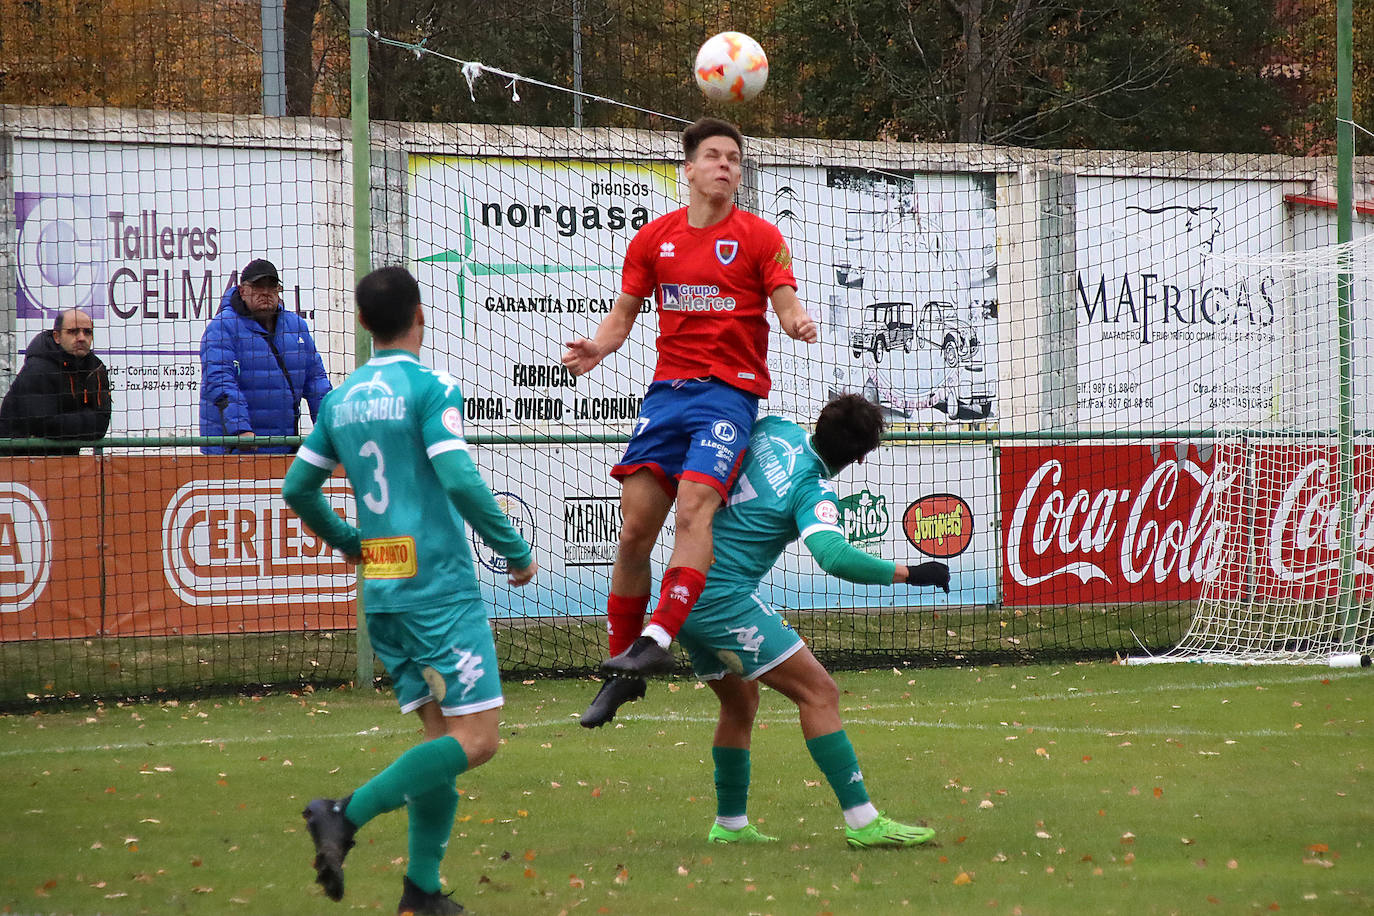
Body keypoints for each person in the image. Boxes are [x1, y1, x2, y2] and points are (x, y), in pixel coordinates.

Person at [581, 394, 951, 850]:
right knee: (820, 693)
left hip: (684, 590)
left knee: (740, 705)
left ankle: (730, 825)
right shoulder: (812, 488)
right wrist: (912, 573)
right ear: (859, 457)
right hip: (721, 601)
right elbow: (832, 556)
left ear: (818, 422)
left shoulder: (774, 428)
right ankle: (863, 820)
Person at [281, 266, 537, 915]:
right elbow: (457, 477)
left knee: (440, 744)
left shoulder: (340, 401)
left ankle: (420, 890)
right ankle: (343, 813)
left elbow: (297, 490)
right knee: (478, 740)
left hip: (387, 588)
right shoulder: (430, 386)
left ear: (363, 324)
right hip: (438, 591)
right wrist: (513, 548)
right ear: (420, 315)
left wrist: (352, 546)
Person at [562, 117, 819, 679]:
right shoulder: (654, 239)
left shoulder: (761, 237)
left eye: (734, 158)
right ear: (690, 168)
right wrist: (596, 348)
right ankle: (623, 665)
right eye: (714, 156)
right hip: (665, 398)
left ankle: (659, 635)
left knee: (693, 510)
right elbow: (623, 316)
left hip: (728, 397)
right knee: (633, 531)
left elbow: (785, 299)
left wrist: (796, 319)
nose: (726, 165)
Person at [199, 258, 331, 454]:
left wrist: (331, 429)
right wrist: (240, 430)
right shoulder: (221, 328)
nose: (265, 293)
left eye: (272, 287)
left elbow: (317, 383)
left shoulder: (296, 327)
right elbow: (220, 383)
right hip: (233, 451)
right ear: (242, 291)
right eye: (257, 287)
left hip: (283, 449)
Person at [0, 308, 111, 455]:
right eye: (73, 331)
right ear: (57, 336)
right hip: (19, 461)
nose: (81, 337)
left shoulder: (95, 368)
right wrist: (86, 419)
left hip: (65, 462)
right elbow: (44, 424)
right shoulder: (38, 369)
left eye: (87, 332)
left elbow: (100, 425)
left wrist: (63, 423)